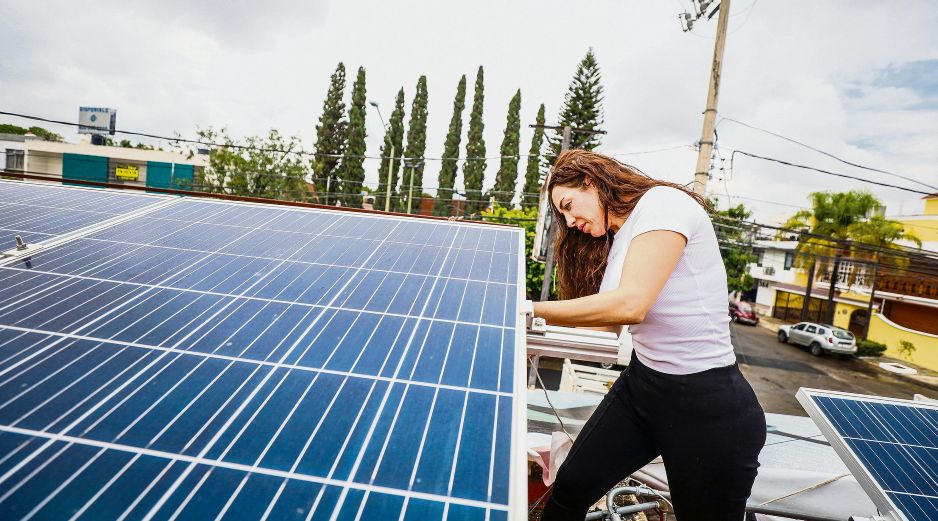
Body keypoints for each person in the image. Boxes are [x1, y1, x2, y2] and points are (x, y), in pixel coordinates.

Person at [534, 150, 766, 520]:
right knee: (570, 487)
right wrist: (525, 330)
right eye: (561, 215)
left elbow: (631, 306)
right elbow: (605, 328)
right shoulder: (620, 242)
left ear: (591, 182)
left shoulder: (663, 204)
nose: (568, 219)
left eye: (568, 205)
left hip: (708, 408)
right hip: (642, 390)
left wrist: (529, 309)